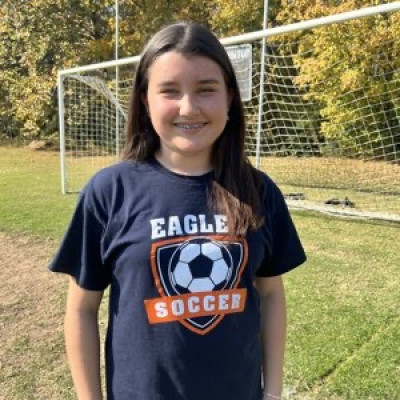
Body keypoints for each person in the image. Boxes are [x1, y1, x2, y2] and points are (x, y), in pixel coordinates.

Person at [49, 21, 306, 400]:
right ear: (145, 100)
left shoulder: (259, 191)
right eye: (170, 90)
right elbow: (81, 309)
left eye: (206, 89)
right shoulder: (109, 192)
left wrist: (273, 392)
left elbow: (270, 294)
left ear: (230, 97)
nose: (189, 107)